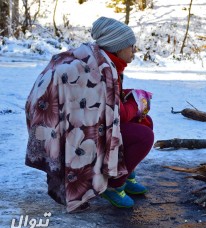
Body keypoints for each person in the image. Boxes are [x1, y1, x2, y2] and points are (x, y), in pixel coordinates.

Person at [25, 16, 154, 213]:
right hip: (67, 130)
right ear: (117, 47)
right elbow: (111, 113)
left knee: (145, 122)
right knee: (144, 136)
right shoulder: (97, 69)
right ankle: (113, 185)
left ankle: (124, 174)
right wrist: (136, 104)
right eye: (131, 46)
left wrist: (131, 100)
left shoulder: (105, 61)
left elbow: (105, 104)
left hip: (79, 122)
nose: (134, 51)